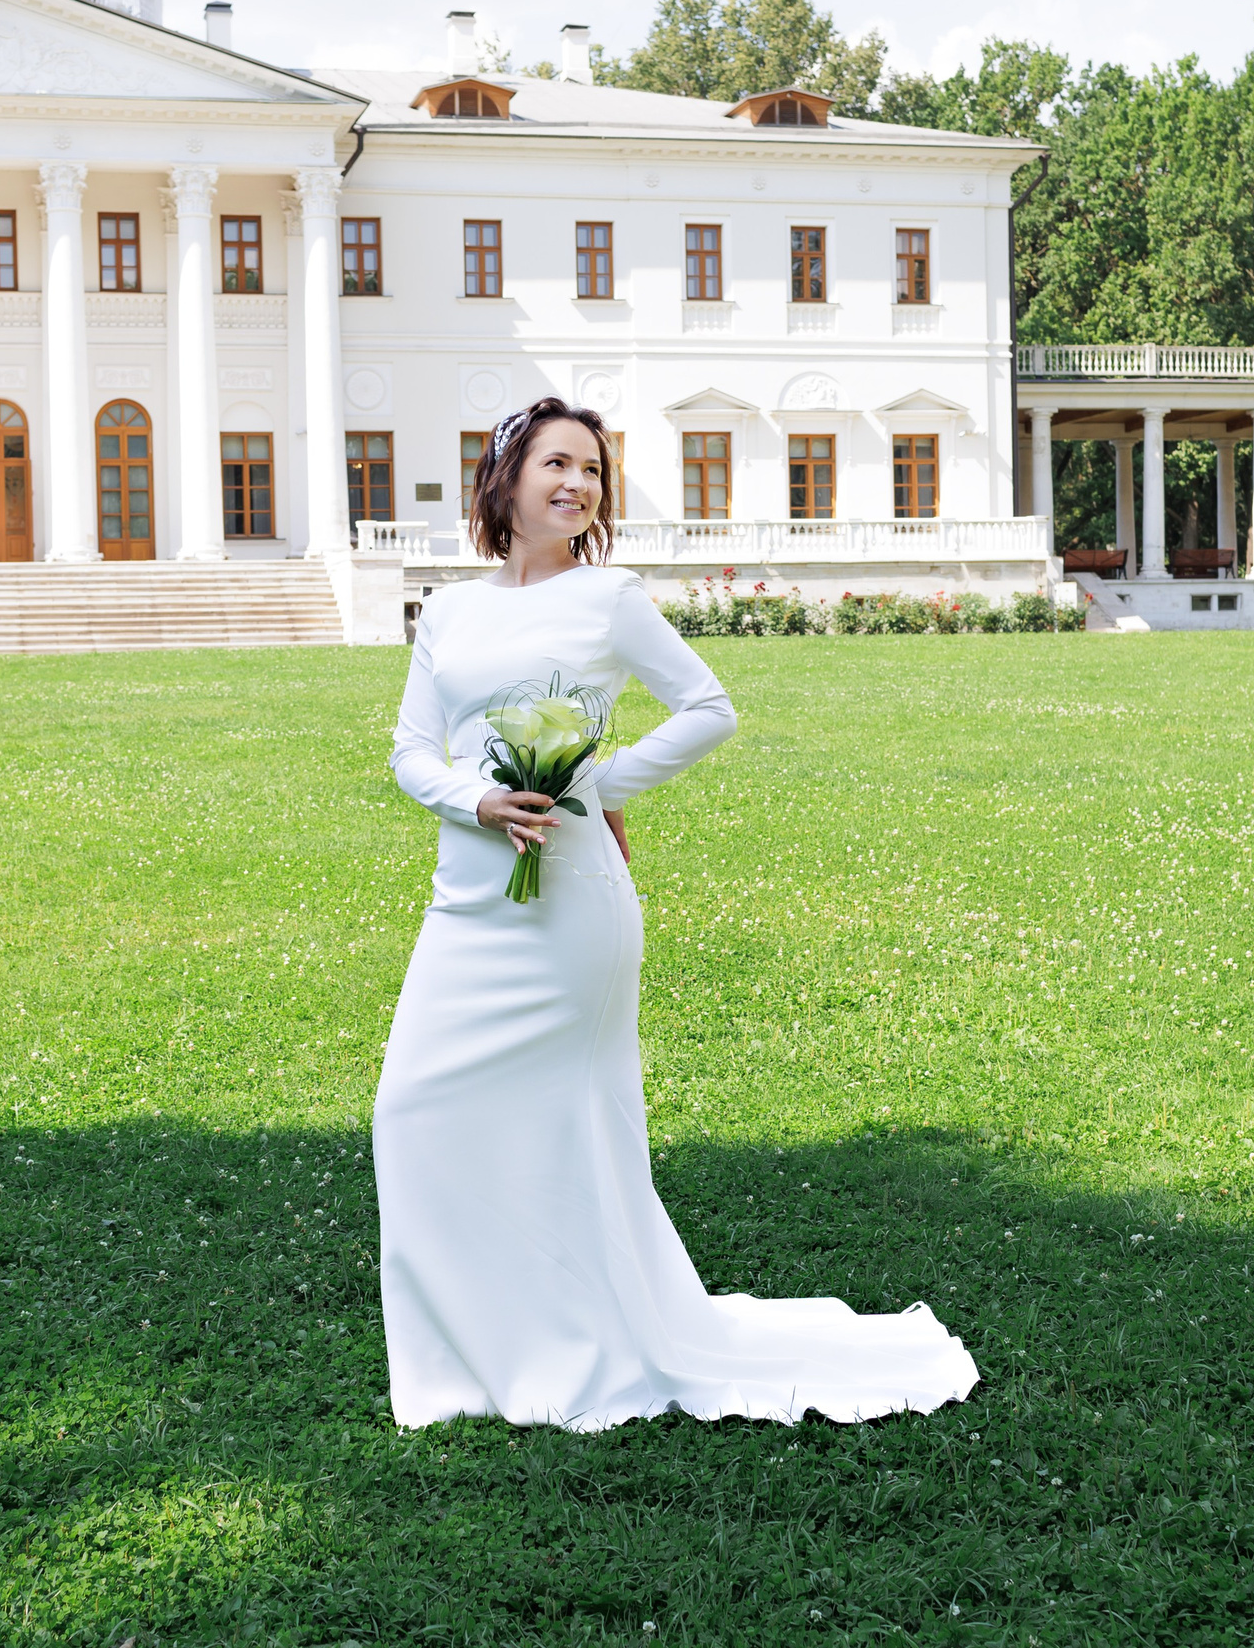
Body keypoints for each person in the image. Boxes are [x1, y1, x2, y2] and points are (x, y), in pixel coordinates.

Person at [374, 396, 981, 1430]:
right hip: (466, 900)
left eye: (593, 470)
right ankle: (469, 1351)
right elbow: (409, 748)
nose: (576, 484)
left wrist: (596, 785)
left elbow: (709, 707)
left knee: (572, 1131)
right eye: (556, 463)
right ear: (507, 475)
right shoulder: (451, 611)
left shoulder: (608, 599)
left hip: (573, 905)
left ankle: (583, 1341)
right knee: (411, 1109)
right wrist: (472, 799)